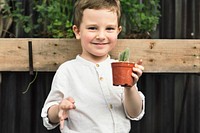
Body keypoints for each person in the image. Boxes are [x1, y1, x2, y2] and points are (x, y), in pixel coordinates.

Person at [41, 0, 145, 132]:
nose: (101, 36)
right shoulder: (68, 71)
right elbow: (49, 116)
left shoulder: (121, 68)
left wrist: (130, 88)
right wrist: (59, 109)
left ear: (118, 31)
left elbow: (134, 113)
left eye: (109, 28)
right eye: (92, 28)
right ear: (77, 31)